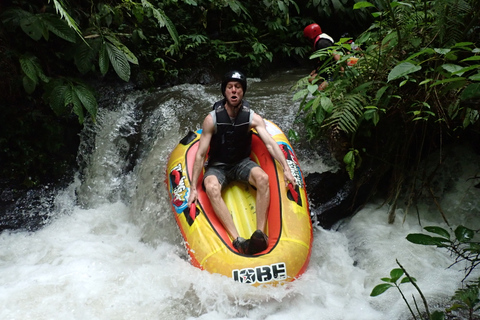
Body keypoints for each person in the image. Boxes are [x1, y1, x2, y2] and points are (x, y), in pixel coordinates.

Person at [187, 70, 296, 255]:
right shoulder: (211, 119)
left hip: (241, 164)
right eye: (230, 87)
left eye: (238, 87)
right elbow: (200, 155)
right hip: (218, 166)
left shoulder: (252, 118)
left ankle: (260, 234)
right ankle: (237, 239)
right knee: (212, 187)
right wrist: (192, 188)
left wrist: (286, 169)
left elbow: (269, 143)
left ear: (243, 92)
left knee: (262, 178)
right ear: (225, 92)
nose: (234, 91)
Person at [303, 23, 340, 90]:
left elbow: (335, 54)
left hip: (335, 70)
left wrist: (342, 69)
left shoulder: (322, 43)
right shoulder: (320, 41)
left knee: (321, 89)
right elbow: (322, 60)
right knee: (311, 80)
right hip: (328, 69)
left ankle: (329, 87)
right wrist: (316, 70)